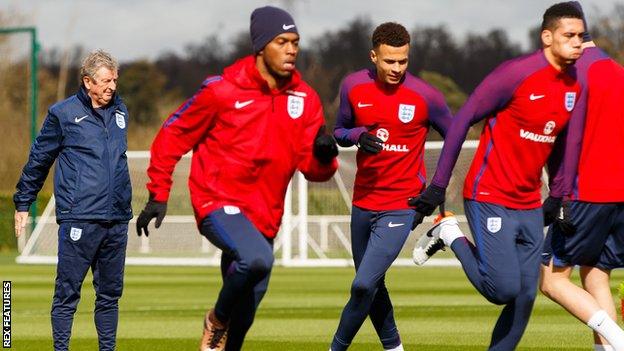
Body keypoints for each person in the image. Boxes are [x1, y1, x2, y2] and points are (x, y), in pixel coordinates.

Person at [135, 6, 338, 351]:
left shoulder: (306, 99)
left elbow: (313, 170)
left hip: (265, 216)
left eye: (295, 42)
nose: (291, 50)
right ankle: (215, 319)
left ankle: (227, 330)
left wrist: (324, 155)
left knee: (245, 316)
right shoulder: (221, 91)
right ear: (260, 46)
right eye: (281, 41)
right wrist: (159, 192)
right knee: (257, 260)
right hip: (217, 201)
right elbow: (172, 135)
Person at [409, 3, 584, 350]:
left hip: (529, 202)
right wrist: (438, 185)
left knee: (525, 297)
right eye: (569, 35)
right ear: (547, 37)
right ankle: (449, 232)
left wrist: (558, 195)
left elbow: (561, 141)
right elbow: (462, 121)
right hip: (489, 194)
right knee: (501, 290)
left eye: (581, 36)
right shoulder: (515, 74)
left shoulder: (573, 86)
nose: (578, 42)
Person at [329, 22, 452, 351]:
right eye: (389, 61)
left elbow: (454, 139)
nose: (397, 68)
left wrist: (437, 188)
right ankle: (394, 347)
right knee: (373, 285)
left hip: (402, 204)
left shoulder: (426, 96)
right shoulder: (353, 86)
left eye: (403, 61)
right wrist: (357, 136)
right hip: (362, 202)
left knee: (362, 285)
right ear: (374, 56)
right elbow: (339, 130)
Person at [13, 50, 131, 351]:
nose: (112, 87)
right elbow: (39, 159)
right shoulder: (62, 114)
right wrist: (23, 202)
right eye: (106, 81)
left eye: (115, 80)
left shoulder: (121, 112)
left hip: (116, 218)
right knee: (67, 294)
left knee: (110, 295)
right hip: (79, 218)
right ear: (88, 81)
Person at [539, 2, 624, 350]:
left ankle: (619, 341)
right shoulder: (617, 71)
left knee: (550, 280)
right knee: (596, 276)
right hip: (620, 193)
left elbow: (552, 136)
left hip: (584, 193)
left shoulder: (570, 76)